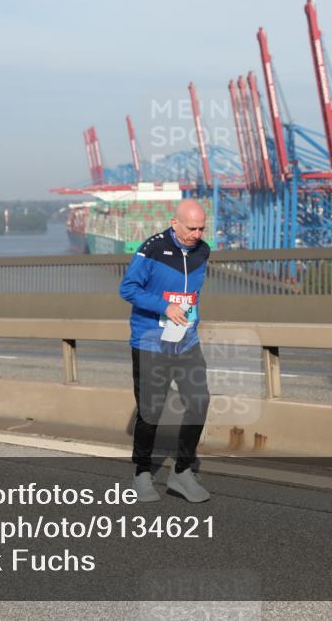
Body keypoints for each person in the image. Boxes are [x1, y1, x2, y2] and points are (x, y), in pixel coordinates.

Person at [118, 199, 211, 503]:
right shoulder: (152, 249)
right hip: (150, 343)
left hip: (186, 342)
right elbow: (128, 288)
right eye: (191, 228)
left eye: (202, 228)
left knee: (199, 402)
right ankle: (141, 473)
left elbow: (192, 294)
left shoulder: (203, 251)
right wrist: (164, 306)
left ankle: (182, 471)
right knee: (151, 411)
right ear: (174, 223)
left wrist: (189, 318)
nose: (197, 234)